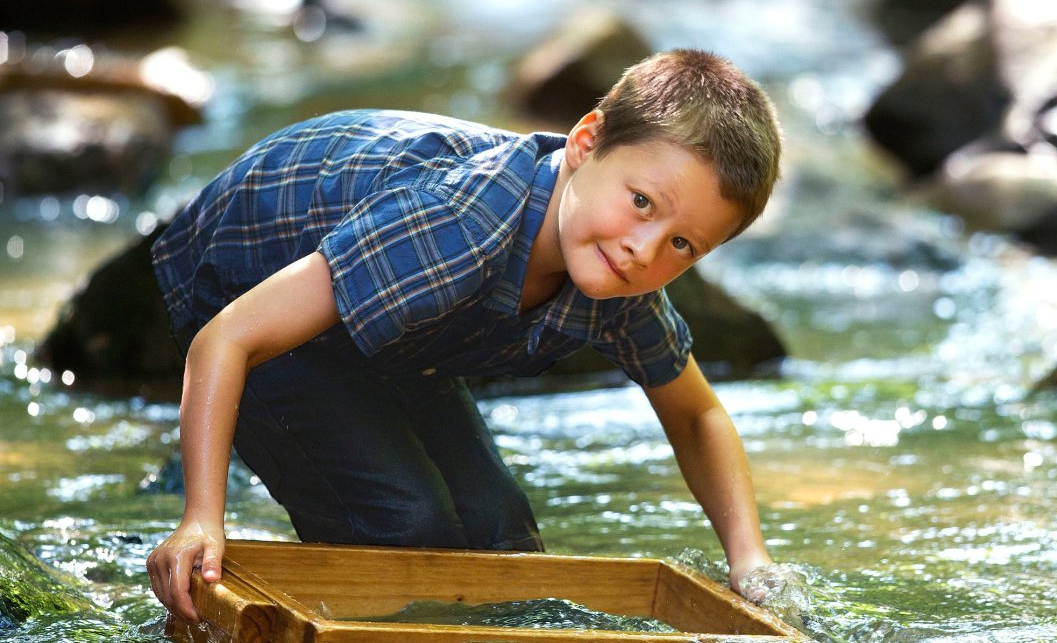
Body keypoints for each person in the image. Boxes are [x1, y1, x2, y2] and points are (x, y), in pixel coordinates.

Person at [145, 48, 783, 623]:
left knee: (503, 541)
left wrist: (751, 563)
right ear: (586, 141)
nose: (644, 250)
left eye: (682, 243)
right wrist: (202, 517)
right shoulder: (462, 224)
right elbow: (225, 338)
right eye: (642, 201)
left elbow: (698, 415)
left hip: (397, 320)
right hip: (246, 280)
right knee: (403, 524)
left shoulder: (619, 275)